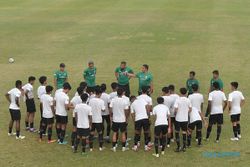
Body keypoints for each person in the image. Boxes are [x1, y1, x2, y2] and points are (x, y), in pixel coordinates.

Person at [110, 88, 130, 152]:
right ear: (122, 93)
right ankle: (123, 147)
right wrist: (126, 117)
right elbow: (126, 111)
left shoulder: (113, 100)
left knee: (115, 133)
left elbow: (110, 108)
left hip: (115, 119)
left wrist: (111, 115)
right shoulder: (124, 101)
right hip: (122, 119)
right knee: (123, 133)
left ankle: (114, 147)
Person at [174, 88, 192, 152]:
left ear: (180, 92)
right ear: (186, 92)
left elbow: (175, 109)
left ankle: (178, 147)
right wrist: (186, 113)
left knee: (177, 132)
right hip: (185, 119)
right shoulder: (188, 100)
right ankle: (184, 147)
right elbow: (190, 109)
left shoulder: (177, 100)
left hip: (178, 119)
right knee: (184, 132)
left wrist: (175, 114)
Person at [88, 86, 105, 151]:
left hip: (92, 119)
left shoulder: (91, 100)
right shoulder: (101, 101)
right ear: (100, 93)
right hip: (98, 120)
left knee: (92, 133)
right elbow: (103, 110)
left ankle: (91, 148)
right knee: (100, 133)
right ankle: (100, 147)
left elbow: (89, 108)